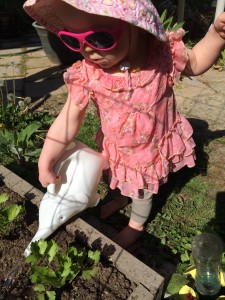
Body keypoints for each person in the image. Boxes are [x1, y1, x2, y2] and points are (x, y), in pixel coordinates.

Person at [24, 0, 225, 249]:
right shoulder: (89, 73)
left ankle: (136, 225)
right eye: (73, 40)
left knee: (142, 192)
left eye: (99, 39)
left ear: (135, 26)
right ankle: (120, 196)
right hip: (117, 144)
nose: (88, 51)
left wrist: (215, 35)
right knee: (114, 174)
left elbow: (195, 62)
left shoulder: (161, 55)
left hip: (148, 150)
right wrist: (46, 159)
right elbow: (67, 120)